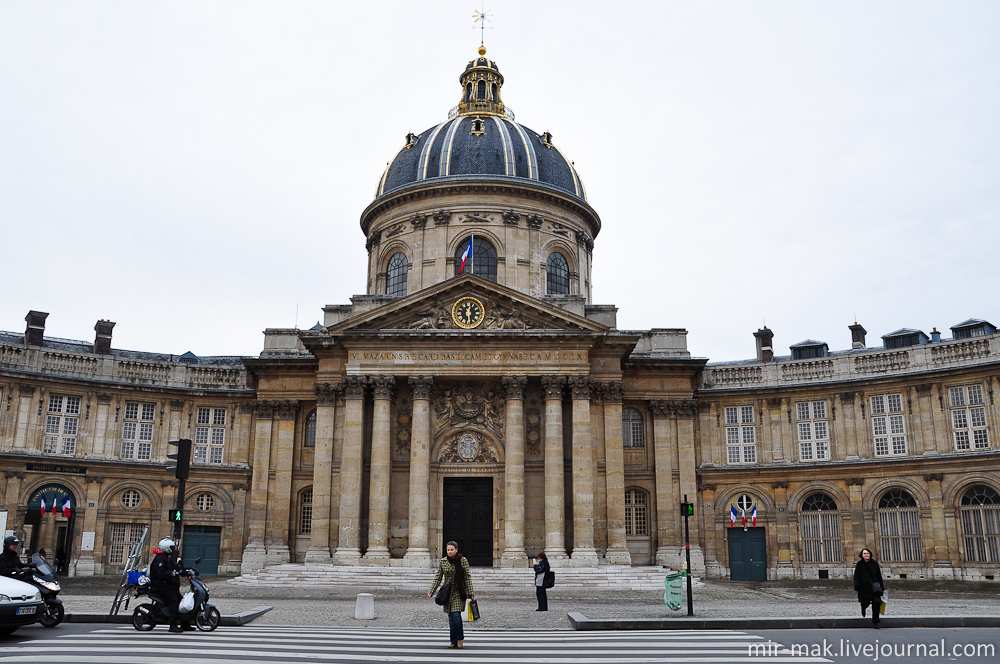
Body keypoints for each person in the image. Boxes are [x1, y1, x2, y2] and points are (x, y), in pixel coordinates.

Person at [427, 540, 475, 649]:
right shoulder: (443, 562)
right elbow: (438, 577)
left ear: (456, 550)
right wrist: (432, 590)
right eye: (448, 550)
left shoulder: (463, 561)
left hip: (459, 592)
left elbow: (467, 577)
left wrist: (471, 592)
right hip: (448, 593)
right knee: (451, 619)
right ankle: (453, 640)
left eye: (451, 550)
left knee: (456, 616)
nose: (449, 552)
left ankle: (460, 638)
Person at [149, 537, 191, 633]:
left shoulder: (166, 558)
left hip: (168, 586)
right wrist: (172, 573)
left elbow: (175, 566)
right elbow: (161, 574)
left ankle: (185, 623)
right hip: (161, 586)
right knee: (174, 601)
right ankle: (172, 625)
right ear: (166, 547)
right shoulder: (159, 559)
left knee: (182, 601)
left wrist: (185, 570)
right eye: (171, 547)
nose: (172, 549)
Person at [853, 548, 885, 629]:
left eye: (867, 553)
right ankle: (863, 607)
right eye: (864, 553)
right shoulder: (859, 564)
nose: (866, 555)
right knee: (865, 602)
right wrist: (857, 585)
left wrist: (881, 587)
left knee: (876, 604)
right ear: (862, 555)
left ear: (870, 554)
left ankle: (876, 622)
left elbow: (879, 576)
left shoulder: (875, 563)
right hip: (864, 587)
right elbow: (856, 576)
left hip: (874, 588)